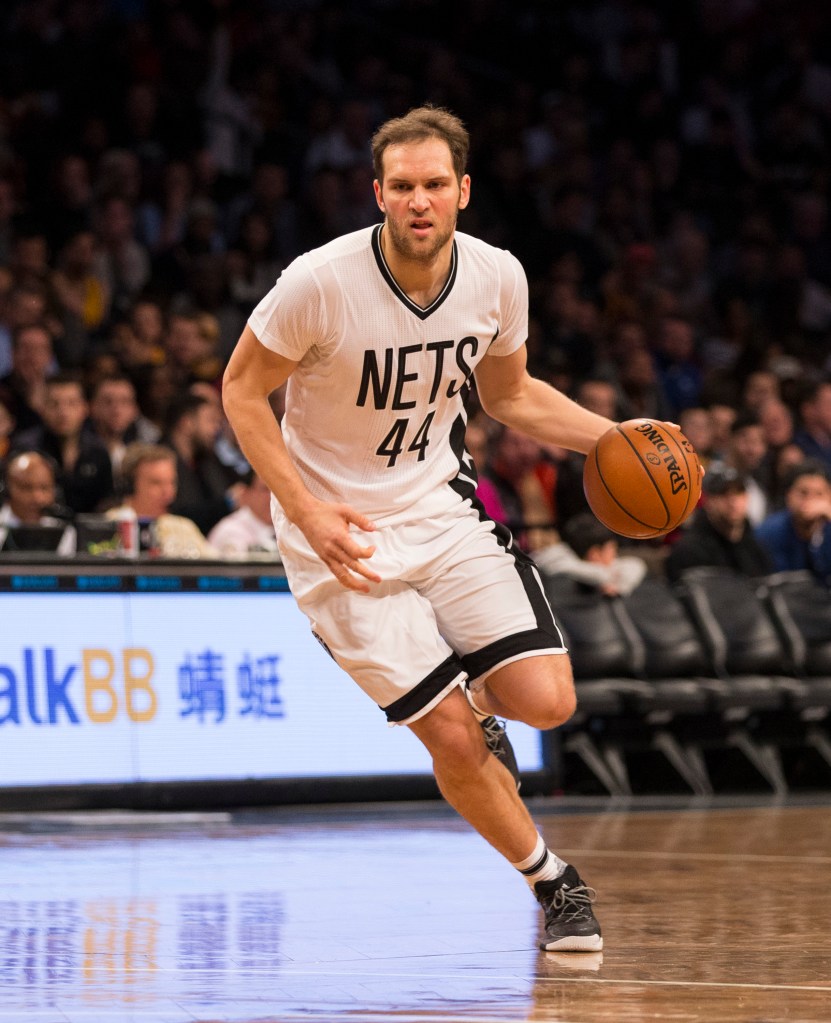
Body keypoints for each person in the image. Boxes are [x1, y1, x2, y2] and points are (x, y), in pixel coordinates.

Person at [223, 106, 617, 952]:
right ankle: (553, 882)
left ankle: (479, 703)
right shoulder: (318, 282)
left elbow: (507, 395)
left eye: (434, 184)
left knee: (546, 702)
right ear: (377, 194)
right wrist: (305, 508)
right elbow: (239, 391)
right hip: (341, 531)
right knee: (442, 732)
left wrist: (611, 438)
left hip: (439, 505)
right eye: (400, 186)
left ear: (462, 191)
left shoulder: (496, 276)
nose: (418, 200)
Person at [13, 372, 114, 514]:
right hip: (37, 531)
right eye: (54, 404)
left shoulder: (98, 451)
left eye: (71, 403)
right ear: (42, 408)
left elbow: (107, 504)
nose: (63, 412)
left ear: (84, 408)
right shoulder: (25, 449)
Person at [665, 463, 773, 583]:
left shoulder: (755, 546)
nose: (733, 501)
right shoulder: (688, 551)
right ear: (708, 501)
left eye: (739, 492)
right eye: (724, 493)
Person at [107, 443, 217, 559]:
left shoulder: (183, 528)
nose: (167, 491)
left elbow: (217, 566)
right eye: (156, 483)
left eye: (171, 482)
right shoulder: (110, 524)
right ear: (130, 485)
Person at [755, 459, 831, 587]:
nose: (811, 500)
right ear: (788, 495)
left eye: (819, 494)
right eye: (803, 493)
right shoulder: (770, 532)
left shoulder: (828, 528)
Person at [534, 512, 647, 595]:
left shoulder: (576, 562)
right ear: (594, 554)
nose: (615, 555)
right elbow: (601, 575)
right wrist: (612, 582)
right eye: (611, 550)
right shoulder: (558, 565)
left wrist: (619, 587)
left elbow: (636, 564)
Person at [0, 450, 74, 554]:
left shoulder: (65, 532)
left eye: (44, 488)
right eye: (27, 488)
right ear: (7, 490)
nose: (37, 498)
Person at [207, 469, 280, 557]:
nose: (272, 497)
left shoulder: (285, 527)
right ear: (246, 494)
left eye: (277, 490)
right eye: (265, 490)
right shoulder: (231, 531)